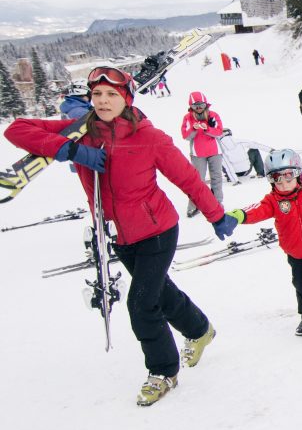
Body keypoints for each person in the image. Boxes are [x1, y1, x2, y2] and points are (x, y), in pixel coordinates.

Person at [4, 66, 237, 406]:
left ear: (126, 98)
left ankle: (163, 371)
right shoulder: (81, 133)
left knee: (141, 303)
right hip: (118, 235)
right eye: (97, 94)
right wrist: (70, 150)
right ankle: (201, 330)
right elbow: (16, 129)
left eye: (111, 94)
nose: (103, 100)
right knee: (159, 292)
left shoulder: (149, 137)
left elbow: (187, 179)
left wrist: (217, 216)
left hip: (157, 231)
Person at [226, 149, 302, 341]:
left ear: (299, 174)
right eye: (277, 180)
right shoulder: (274, 201)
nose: (283, 185)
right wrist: (240, 215)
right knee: (300, 285)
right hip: (294, 252)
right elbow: (258, 210)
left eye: (288, 178)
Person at [180, 91, 225, 218]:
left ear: (206, 104)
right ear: (191, 106)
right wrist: (194, 128)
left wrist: (207, 129)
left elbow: (219, 132)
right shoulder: (187, 118)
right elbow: (186, 136)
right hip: (198, 154)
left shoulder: (213, 115)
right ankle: (194, 206)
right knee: (197, 181)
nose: (199, 108)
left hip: (215, 152)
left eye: (201, 105)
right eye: (195, 106)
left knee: (216, 178)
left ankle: (217, 203)